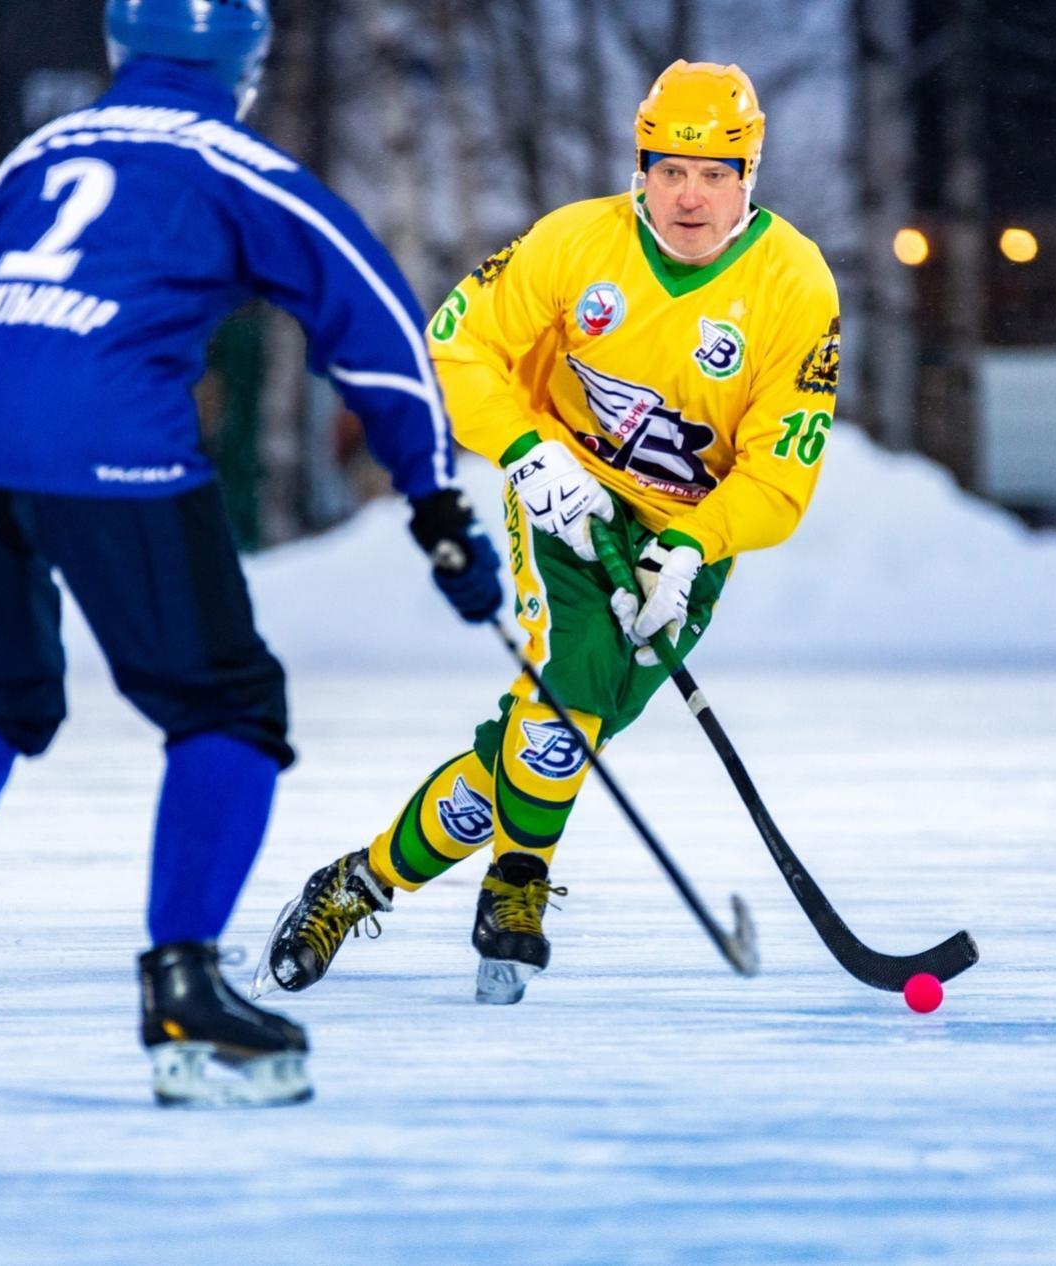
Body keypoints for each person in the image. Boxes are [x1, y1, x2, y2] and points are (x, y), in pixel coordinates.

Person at [0, 0, 501, 1108]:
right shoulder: (236, 162)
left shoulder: (44, 148)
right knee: (224, 704)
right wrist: (434, 504)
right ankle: (186, 996)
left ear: (119, 51)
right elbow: (374, 329)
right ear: (248, 65)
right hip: (106, 441)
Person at [254, 59, 840, 1005]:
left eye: (716, 172)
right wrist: (529, 453)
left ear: (749, 178)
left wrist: (689, 548)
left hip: (692, 538)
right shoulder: (575, 244)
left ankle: (356, 883)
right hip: (565, 498)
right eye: (672, 169)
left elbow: (780, 474)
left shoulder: (795, 285)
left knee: (545, 746)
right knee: (568, 689)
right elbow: (452, 345)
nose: (691, 195)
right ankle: (515, 886)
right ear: (642, 167)